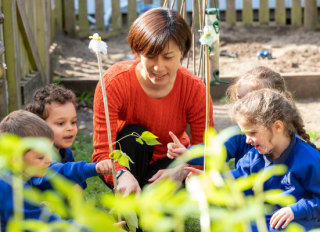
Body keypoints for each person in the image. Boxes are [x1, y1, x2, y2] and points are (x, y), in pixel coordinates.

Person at [92, 7, 214, 195]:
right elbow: (101, 154)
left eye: (168, 57)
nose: (158, 67)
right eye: (150, 56)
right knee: (134, 135)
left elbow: (205, 151)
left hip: (169, 164)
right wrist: (121, 174)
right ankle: (129, 204)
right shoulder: (113, 83)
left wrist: (180, 172)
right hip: (126, 160)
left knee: (156, 222)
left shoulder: (195, 89)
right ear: (137, 51)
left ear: (182, 51)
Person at [0, 110, 119, 231]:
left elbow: (58, 171)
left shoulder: (15, 172)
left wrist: (94, 168)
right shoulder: (12, 187)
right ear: (15, 159)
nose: (49, 159)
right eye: (40, 156)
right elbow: (50, 226)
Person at [230, 89, 320, 231]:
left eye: (252, 133)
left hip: (295, 222)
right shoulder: (256, 155)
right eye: (245, 134)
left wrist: (294, 210)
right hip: (264, 219)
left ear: (277, 126)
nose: (247, 140)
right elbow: (238, 176)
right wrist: (210, 180)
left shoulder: (309, 160)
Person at [168, 66, 293, 168]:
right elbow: (215, 150)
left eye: (249, 100)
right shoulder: (239, 136)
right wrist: (188, 153)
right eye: (239, 99)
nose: (239, 106)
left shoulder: (293, 146)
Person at [25, 84, 113, 190]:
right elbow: (58, 173)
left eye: (73, 122)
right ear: (40, 126)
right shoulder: (38, 154)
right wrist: (93, 168)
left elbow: (74, 178)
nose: (70, 128)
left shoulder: (66, 152)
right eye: (61, 123)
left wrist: (78, 186)